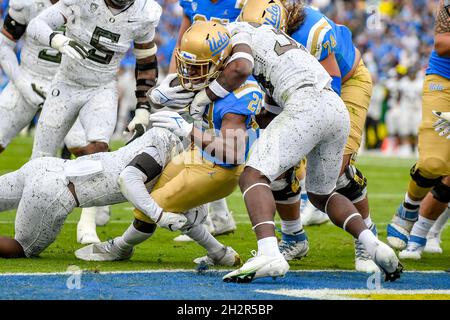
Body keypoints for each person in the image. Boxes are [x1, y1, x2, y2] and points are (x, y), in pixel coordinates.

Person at [177, 18, 401, 282]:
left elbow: (240, 67)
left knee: (253, 175)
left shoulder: (239, 33)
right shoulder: (274, 41)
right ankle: (373, 243)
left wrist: (207, 96)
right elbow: (270, 111)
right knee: (321, 194)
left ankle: (269, 252)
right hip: (333, 107)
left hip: (306, 103)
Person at [75, 21, 262, 267]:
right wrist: (164, 92)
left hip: (220, 170)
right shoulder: (209, 83)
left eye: (197, 68)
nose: (189, 74)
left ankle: (121, 247)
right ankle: (219, 253)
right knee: (157, 198)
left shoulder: (238, 98)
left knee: (149, 210)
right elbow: (160, 96)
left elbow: (232, 154)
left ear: (220, 65)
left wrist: (187, 129)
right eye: (188, 66)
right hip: (199, 155)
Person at [26, 0, 161, 244]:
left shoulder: (145, 11)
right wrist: (58, 40)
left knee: (98, 151)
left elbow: (146, 62)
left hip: (101, 87)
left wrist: (143, 108)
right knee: (40, 158)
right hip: (65, 84)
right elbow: (36, 25)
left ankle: (87, 223)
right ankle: (29, 223)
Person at [0, 127, 205, 259]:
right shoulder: (161, 158)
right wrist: (159, 215)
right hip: (54, 191)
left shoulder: (154, 137)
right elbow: (129, 181)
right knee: (21, 248)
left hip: (46, 166)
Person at [386, 0, 450, 252]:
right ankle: (409, 207)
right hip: (445, 81)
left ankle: (427, 232)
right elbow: (442, 44)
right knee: (434, 162)